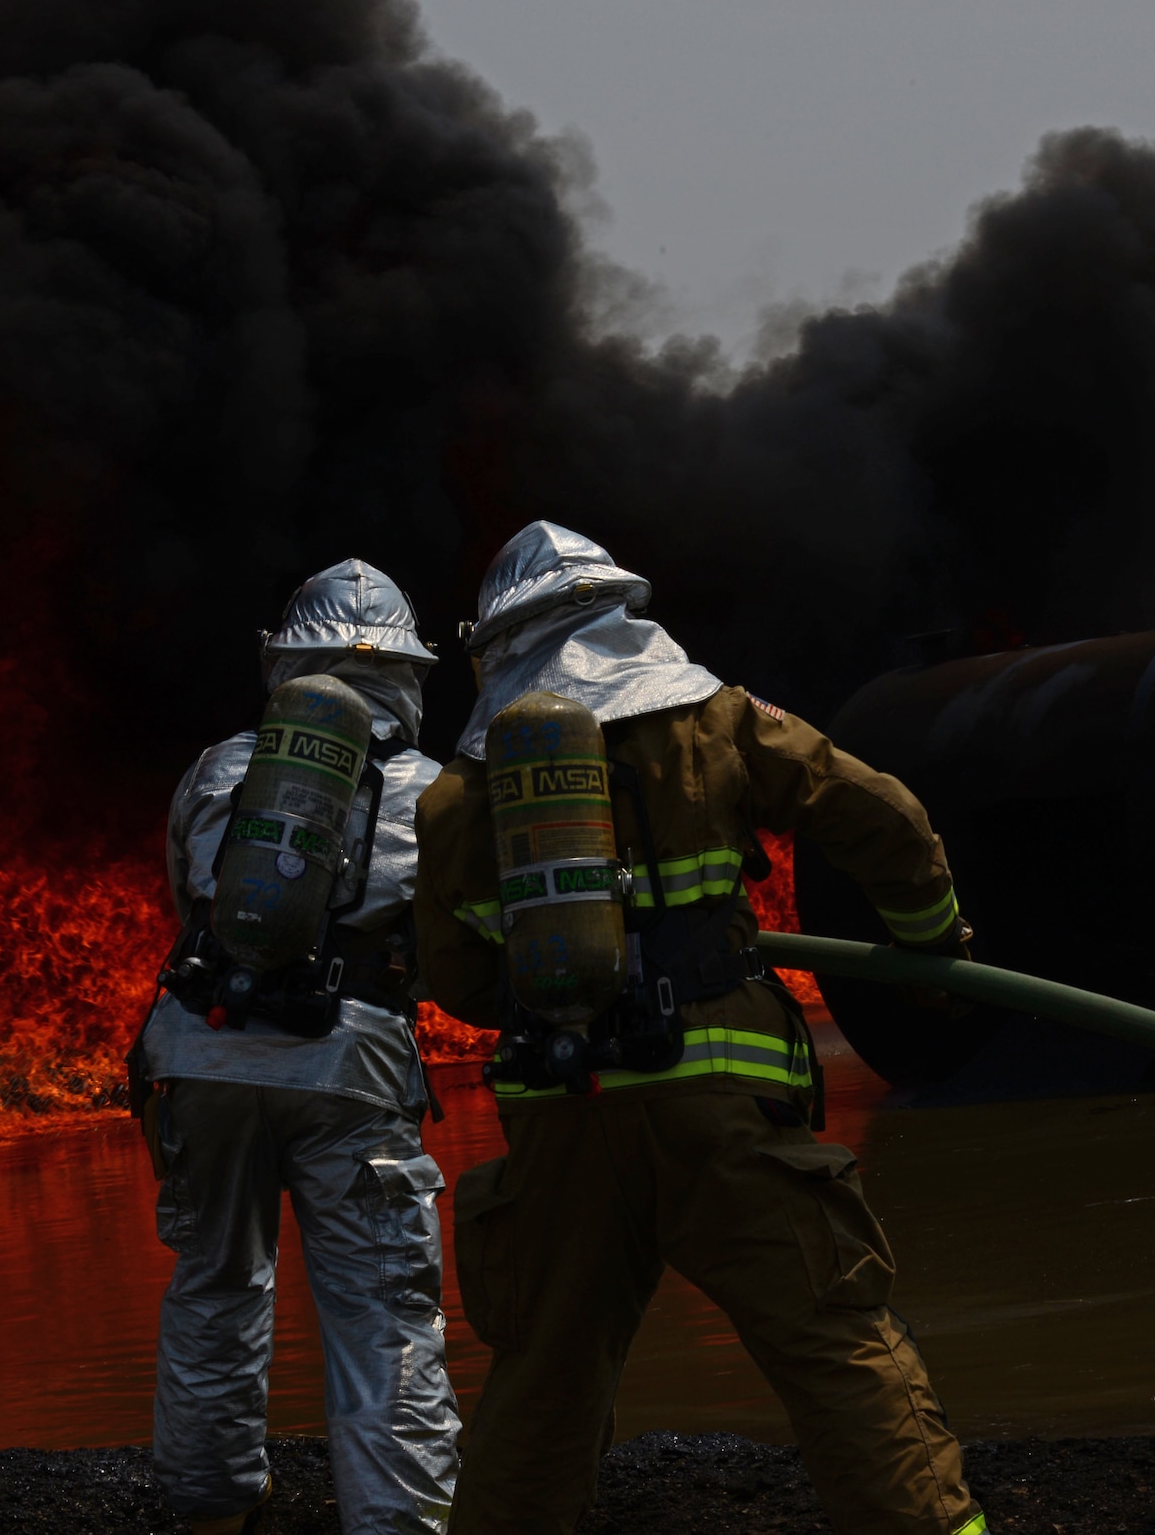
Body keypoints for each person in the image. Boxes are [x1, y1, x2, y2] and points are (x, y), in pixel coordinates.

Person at [415, 521, 986, 1535]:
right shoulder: (713, 721)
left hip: (562, 1116)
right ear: (615, 612)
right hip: (718, 1114)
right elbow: (883, 818)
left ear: (495, 644)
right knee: (833, 1347)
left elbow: (454, 978)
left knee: (540, 1384)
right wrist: (931, 945)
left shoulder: (462, 794)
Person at [132, 559, 460, 1535]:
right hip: (349, 1065)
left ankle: (211, 1504)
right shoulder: (434, 792)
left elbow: (188, 906)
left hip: (198, 1050)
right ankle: (393, 1522)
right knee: (379, 1316)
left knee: (214, 1282)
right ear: (406, 673)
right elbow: (448, 953)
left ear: (282, 664)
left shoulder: (216, 769)